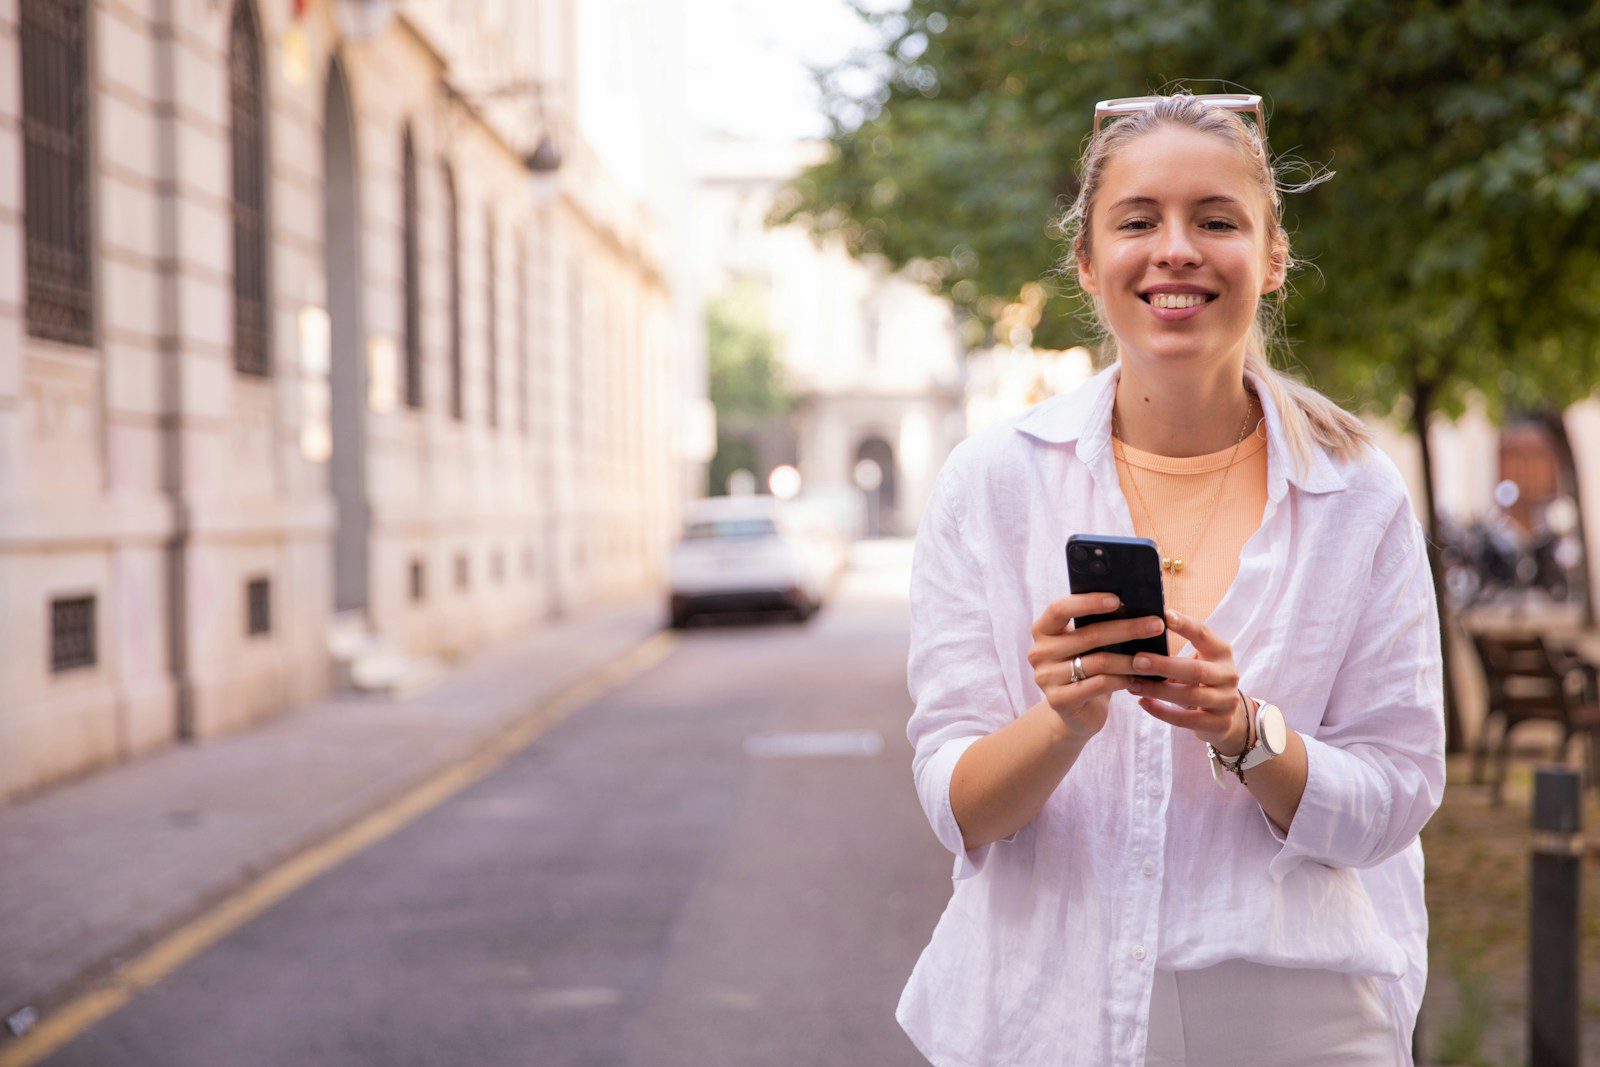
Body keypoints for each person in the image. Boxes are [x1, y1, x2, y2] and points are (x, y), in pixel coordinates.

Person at [897, 92, 1446, 1066]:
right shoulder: (992, 484)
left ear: (1272, 257)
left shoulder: (1357, 499)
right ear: (1086, 261)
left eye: (1217, 219)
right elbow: (955, 799)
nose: (1176, 248)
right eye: (1138, 220)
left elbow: (1398, 794)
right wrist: (1061, 717)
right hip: (1045, 1013)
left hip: (1295, 1027)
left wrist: (1246, 731)